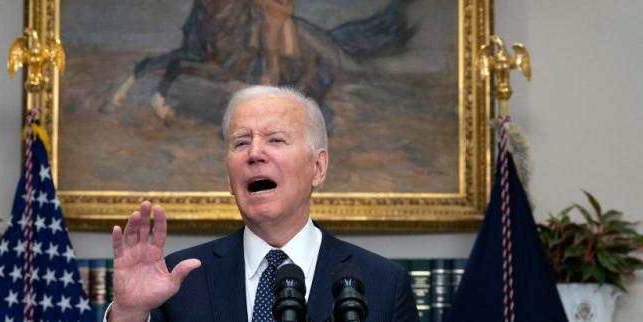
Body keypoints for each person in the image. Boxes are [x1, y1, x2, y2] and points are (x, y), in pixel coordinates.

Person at [107, 86, 418, 322]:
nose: (254, 153)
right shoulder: (178, 280)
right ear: (229, 178)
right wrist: (129, 313)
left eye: (275, 139)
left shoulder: (384, 284)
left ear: (318, 167)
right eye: (241, 142)